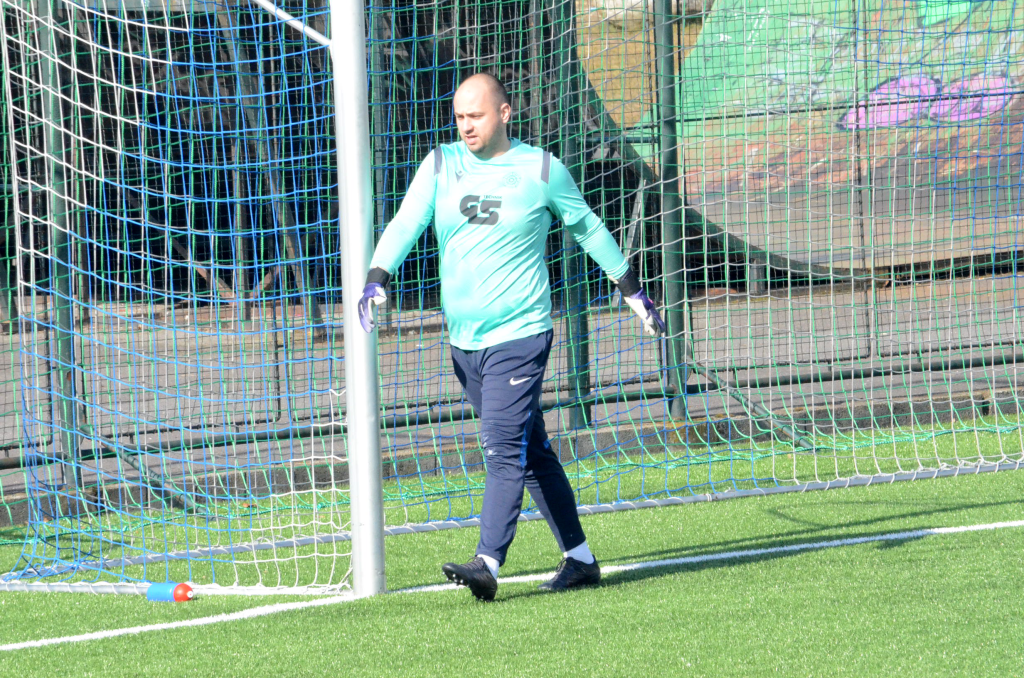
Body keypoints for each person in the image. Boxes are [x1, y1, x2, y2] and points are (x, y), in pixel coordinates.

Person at [358, 73, 665, 601]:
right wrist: (375, 277)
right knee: (531, 450)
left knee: (502, 448)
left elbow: (588, 228)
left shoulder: (541, 169)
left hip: (520, 335)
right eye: (459, 116)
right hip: (465, 343)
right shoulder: (441, 164)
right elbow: (406, 222)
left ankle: (487, 562)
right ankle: (580, 560)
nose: (466, 126)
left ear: (503, 113)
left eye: (475, 116)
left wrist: (632, 290)